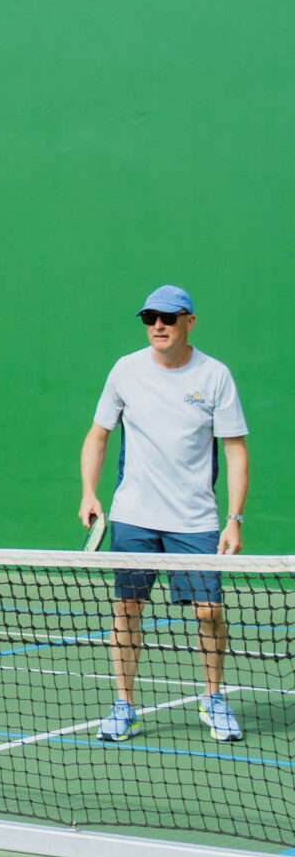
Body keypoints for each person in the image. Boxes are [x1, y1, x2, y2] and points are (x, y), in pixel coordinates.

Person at [80, 285, 249, 743]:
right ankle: (124, 706)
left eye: (169, 318)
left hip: (195, 520)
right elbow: (98, 435)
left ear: (189, 322)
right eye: (150, 317)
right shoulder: (125, 371)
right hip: (134, 514)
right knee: (127, 608)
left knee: (209, 611)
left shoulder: (215, 376)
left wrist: (235, 518)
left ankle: (213, 698)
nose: (159, 325)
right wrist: (89, 494)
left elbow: (234, 451)